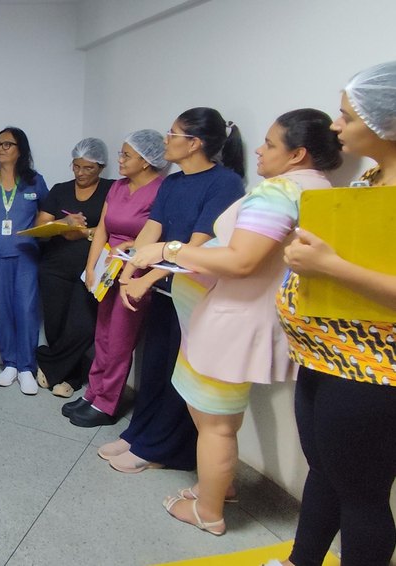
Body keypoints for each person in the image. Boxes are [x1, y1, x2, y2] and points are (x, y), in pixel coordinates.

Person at [129, 109, 341, 535]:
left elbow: (241, 260)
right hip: (254, 317)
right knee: (222, 417)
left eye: (271, 143)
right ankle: (217, 485)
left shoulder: (279, 191)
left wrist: (168, 251)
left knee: (215, 423)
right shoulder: (321, 189)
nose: (259, 150)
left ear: (297, 154)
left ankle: (208, 511)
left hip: (232, 321)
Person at [267, 62, 396, 566]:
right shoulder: (372, 178)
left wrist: (328, 266)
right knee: (324, 471)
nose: (336, 125)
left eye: (348, 116)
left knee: (362, 494)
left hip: (373, 371)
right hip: (324, 356)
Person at [100, 107, 245, 474]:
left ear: (193, 143)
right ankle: (139, 434)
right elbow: (152, 230)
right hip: (166, 292)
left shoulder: (224, 184)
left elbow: (197, 246)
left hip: (195, 294)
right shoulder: (173, 182)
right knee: (153, 369)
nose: (165, 140)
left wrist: (146, 279)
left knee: (177, 377)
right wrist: (128, 273)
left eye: (172, 133)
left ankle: (159, 449)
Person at [68, 129, 167, 427]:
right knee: (102, 334)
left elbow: (155, 235)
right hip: (107, 268)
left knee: (121, 339)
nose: (119, 160)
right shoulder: (117, 187)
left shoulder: (161, 190)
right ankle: (93, 392)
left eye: (126, 155)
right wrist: (91, 268)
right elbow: (102, 229)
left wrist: (130, 251)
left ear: (146, 161)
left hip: (135, 272)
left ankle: (107, 403)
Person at [0, 127, 48, 395]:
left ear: (20, 149)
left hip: (26, 256)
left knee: (26, 310)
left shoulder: (34, 182)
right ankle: (10, 363)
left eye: (6, 144)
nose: (0, 149)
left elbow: (45, 216)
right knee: (1, 311)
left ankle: (26, 367)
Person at [35, 137, 114, 397]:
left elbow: (113, 227)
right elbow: (40, 226)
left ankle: (47, 361)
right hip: (54, 268)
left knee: (83, 327)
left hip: (90, 270)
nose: (80, 173)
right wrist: (64, 224)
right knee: (56, 325)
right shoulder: (60, 190)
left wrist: (85, 232)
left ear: (101, 167)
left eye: (88, 168)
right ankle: (69, 378)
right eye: (76, 166)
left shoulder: (111, 190)